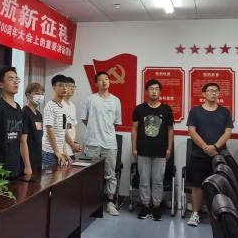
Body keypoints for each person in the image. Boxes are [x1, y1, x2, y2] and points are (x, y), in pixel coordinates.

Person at [186, 83, 233, 227]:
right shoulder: (195, 111)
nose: (213, 93)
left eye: (216, 91)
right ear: (203, 94)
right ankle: (195, 214)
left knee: (219, 185)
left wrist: (215, 147)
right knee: (197, 185)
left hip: (219, 155)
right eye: (210, 91)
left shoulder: (225, 112)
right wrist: (205, 147)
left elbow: (228, 132)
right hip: (198, 154)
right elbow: (192, 131)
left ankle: (218, 215)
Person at [81, 71, 123, 216]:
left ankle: (110, 203)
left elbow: (116, 123)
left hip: (109, 144)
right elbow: (84, 119)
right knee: (91, 175)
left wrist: (105, 131)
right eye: (101, 79)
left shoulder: (116, 100)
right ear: (96, 83)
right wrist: (94, 129)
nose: (104, 81)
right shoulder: (90, 99)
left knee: (110, 174)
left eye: (106, 79)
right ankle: (91, 203)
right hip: (92, 143)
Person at [131, 78, 174, 221]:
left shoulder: (166, 109)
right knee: (143, 180)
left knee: (157, 181)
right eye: (151, 89)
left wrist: (169, 148)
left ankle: (156, 207)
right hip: (143, 150)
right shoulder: (139, 109)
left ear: (160, 91)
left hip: (161, 151)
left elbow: (170, 130)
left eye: (156, 89)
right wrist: (134, 148)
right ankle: (144, 206)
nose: (154, 91)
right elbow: (134, 129)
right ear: (146, 91)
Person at [0, 66, 31, 180]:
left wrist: (27, 166)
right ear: (1, 84)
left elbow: (21, 140)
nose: (15, 82)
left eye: (16, 79)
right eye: (11, 79)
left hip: (15, 167)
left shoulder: (18, 107)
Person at [42, 75, 73, 169]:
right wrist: (56, 151)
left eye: (66, 85)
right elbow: (49, 130)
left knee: (59, 177)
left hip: (58, 152)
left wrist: (64, 152)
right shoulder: (50, 106)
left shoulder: (62, 107)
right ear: (54, 87)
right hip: (49, 152)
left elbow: (63, 131)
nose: (64, 88)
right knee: (50, 178)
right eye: (60, 85)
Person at [22, 82, 45, 174]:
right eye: (37, 93)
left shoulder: (39, 114)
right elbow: (23, 141)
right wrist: (27, 166)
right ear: (28, 95)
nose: (40, 96)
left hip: (38, 158)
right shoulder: (24, 113)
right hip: (28, 160)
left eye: (42, 94)